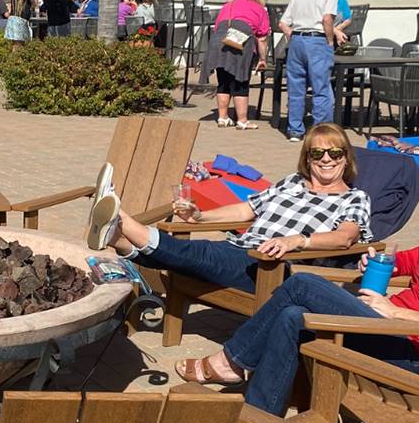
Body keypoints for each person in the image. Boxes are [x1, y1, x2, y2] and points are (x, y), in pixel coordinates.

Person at [176, 147, 419, 417]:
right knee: (291, 315)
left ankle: (230, 362)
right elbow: (408, 261)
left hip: (416, 355)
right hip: (388, 330)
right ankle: (259, 415)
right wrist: (375, 258)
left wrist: (396, 314)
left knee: (303, 284)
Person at [86, 122, 371, 294]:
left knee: (196, 253)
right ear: (307, 159)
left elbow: (344, 237)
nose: (326, 159)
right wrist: (199, 216)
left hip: (272, 267)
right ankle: (117, 237)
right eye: (317, 153)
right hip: (243, 249)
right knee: (184, 257)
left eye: (335, 152)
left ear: (346, 158)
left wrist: (297, 240)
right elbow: (246, 210)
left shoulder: (354, 198)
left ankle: (119, 216)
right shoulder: (293, 182)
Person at [279, 0, 340, 142]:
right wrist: (329, 41)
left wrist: (294, 36)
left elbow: (283, 23)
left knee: (296, 88)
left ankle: (295, 131)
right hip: (317, 40)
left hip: (297, 40)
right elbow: (327, 18)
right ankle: (321, 132)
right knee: (321, 88)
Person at [202, 0, 271, 130]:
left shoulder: (229, 5)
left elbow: (217, 27)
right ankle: (242, 120)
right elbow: (262, 38)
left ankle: (222, 118)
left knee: (223, 82)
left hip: (218, 42)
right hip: (240, 43)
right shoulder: (260, 9)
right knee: (240, 82)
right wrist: (263, 59)